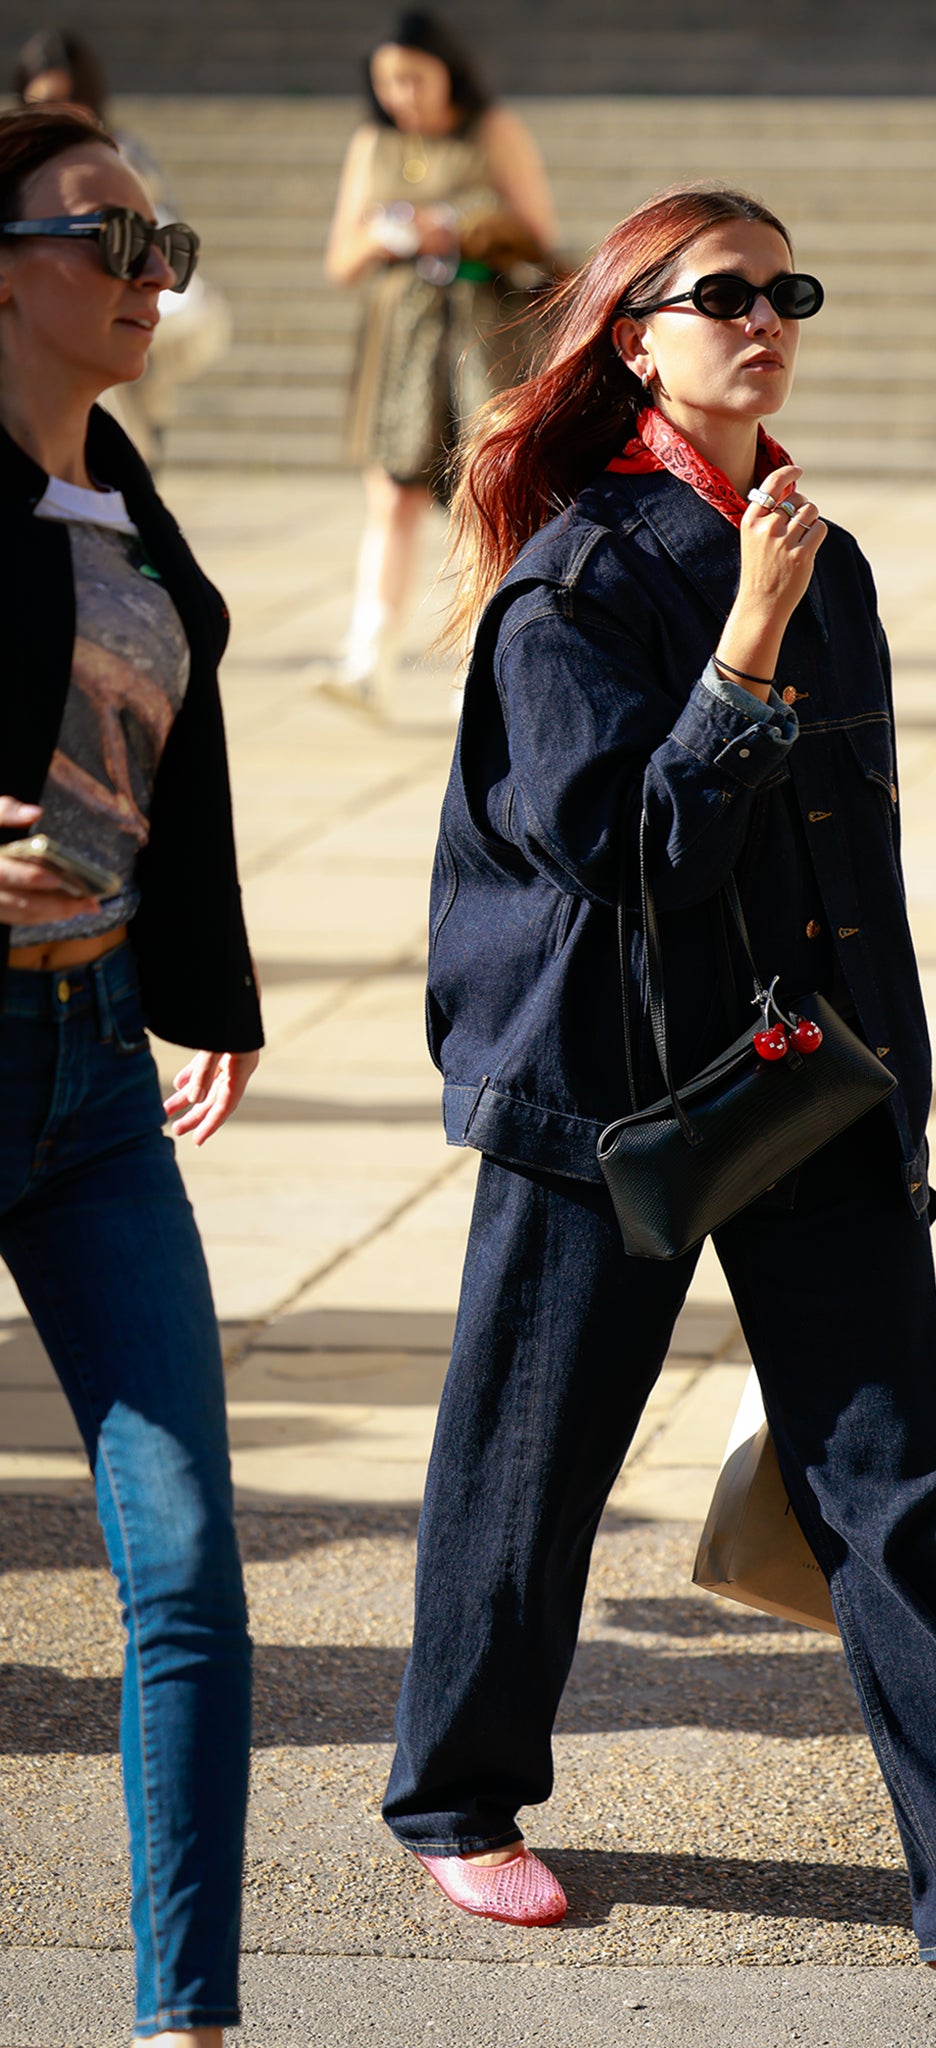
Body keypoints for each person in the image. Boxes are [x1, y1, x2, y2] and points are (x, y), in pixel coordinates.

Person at [382, 183, 936, 1987]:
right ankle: (458, 1798)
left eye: (786, 287)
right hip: (614, 1096)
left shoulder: (823, 550)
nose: (764, 314)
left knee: (885, 1483)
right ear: (631, 335)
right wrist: (740, 643)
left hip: (805, 1080)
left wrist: (903, 1101)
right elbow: (621, 851)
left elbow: (853, 867)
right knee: (532, 1458)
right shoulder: (579, 576)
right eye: (719, 291)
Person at [0, 104, 262, 2044]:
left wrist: (206, 986)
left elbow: (191, 733)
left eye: (159, 242)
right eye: (106, 238)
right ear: (5, 268)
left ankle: (189, 2019)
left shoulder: (123, 486)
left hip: (93, 1079)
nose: (144, 275)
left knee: (183, 1572)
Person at [323, 7, 558, 712]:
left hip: (480, 332)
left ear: (447, 71)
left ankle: (484, 658)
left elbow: (540, 236)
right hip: (400, 336)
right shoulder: (374, 143)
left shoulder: (492, 131)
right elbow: (341, 260)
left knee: (485, 493)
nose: (401, 95)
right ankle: (368, 658)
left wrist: (457, 226)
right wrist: (387, 235)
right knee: (390, 490)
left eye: (413, 78)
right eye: (387, 82)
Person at [12, 26, 231, 465]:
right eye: (41, 102)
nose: (56, 113)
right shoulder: (16, 165)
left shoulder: (124, 158)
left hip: (125, 387)